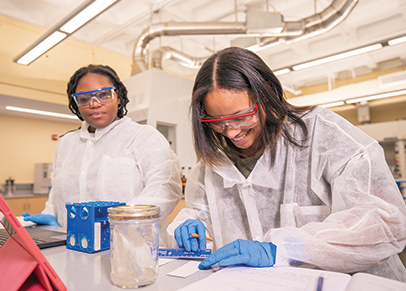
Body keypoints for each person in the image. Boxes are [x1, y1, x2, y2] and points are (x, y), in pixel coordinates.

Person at [167, 47, 406, 281]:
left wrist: (284, 248)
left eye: (241, 116)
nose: (231, 131)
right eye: (217, 122)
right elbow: (204, 219)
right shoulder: (211, 167)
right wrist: (195, 227)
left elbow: (384, 222)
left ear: (267, 93)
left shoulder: (322, 135)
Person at [23, 64, 182, 245]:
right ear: (76, 104)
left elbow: (165, 190)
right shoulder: (67, 144)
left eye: (104, 95)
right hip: (73, 245)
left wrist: (118, 220)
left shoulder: (144, 137)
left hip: (131, 248)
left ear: (119, 97)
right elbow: (58, 192)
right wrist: (50, 214)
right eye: (84, 99)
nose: (94, 104)